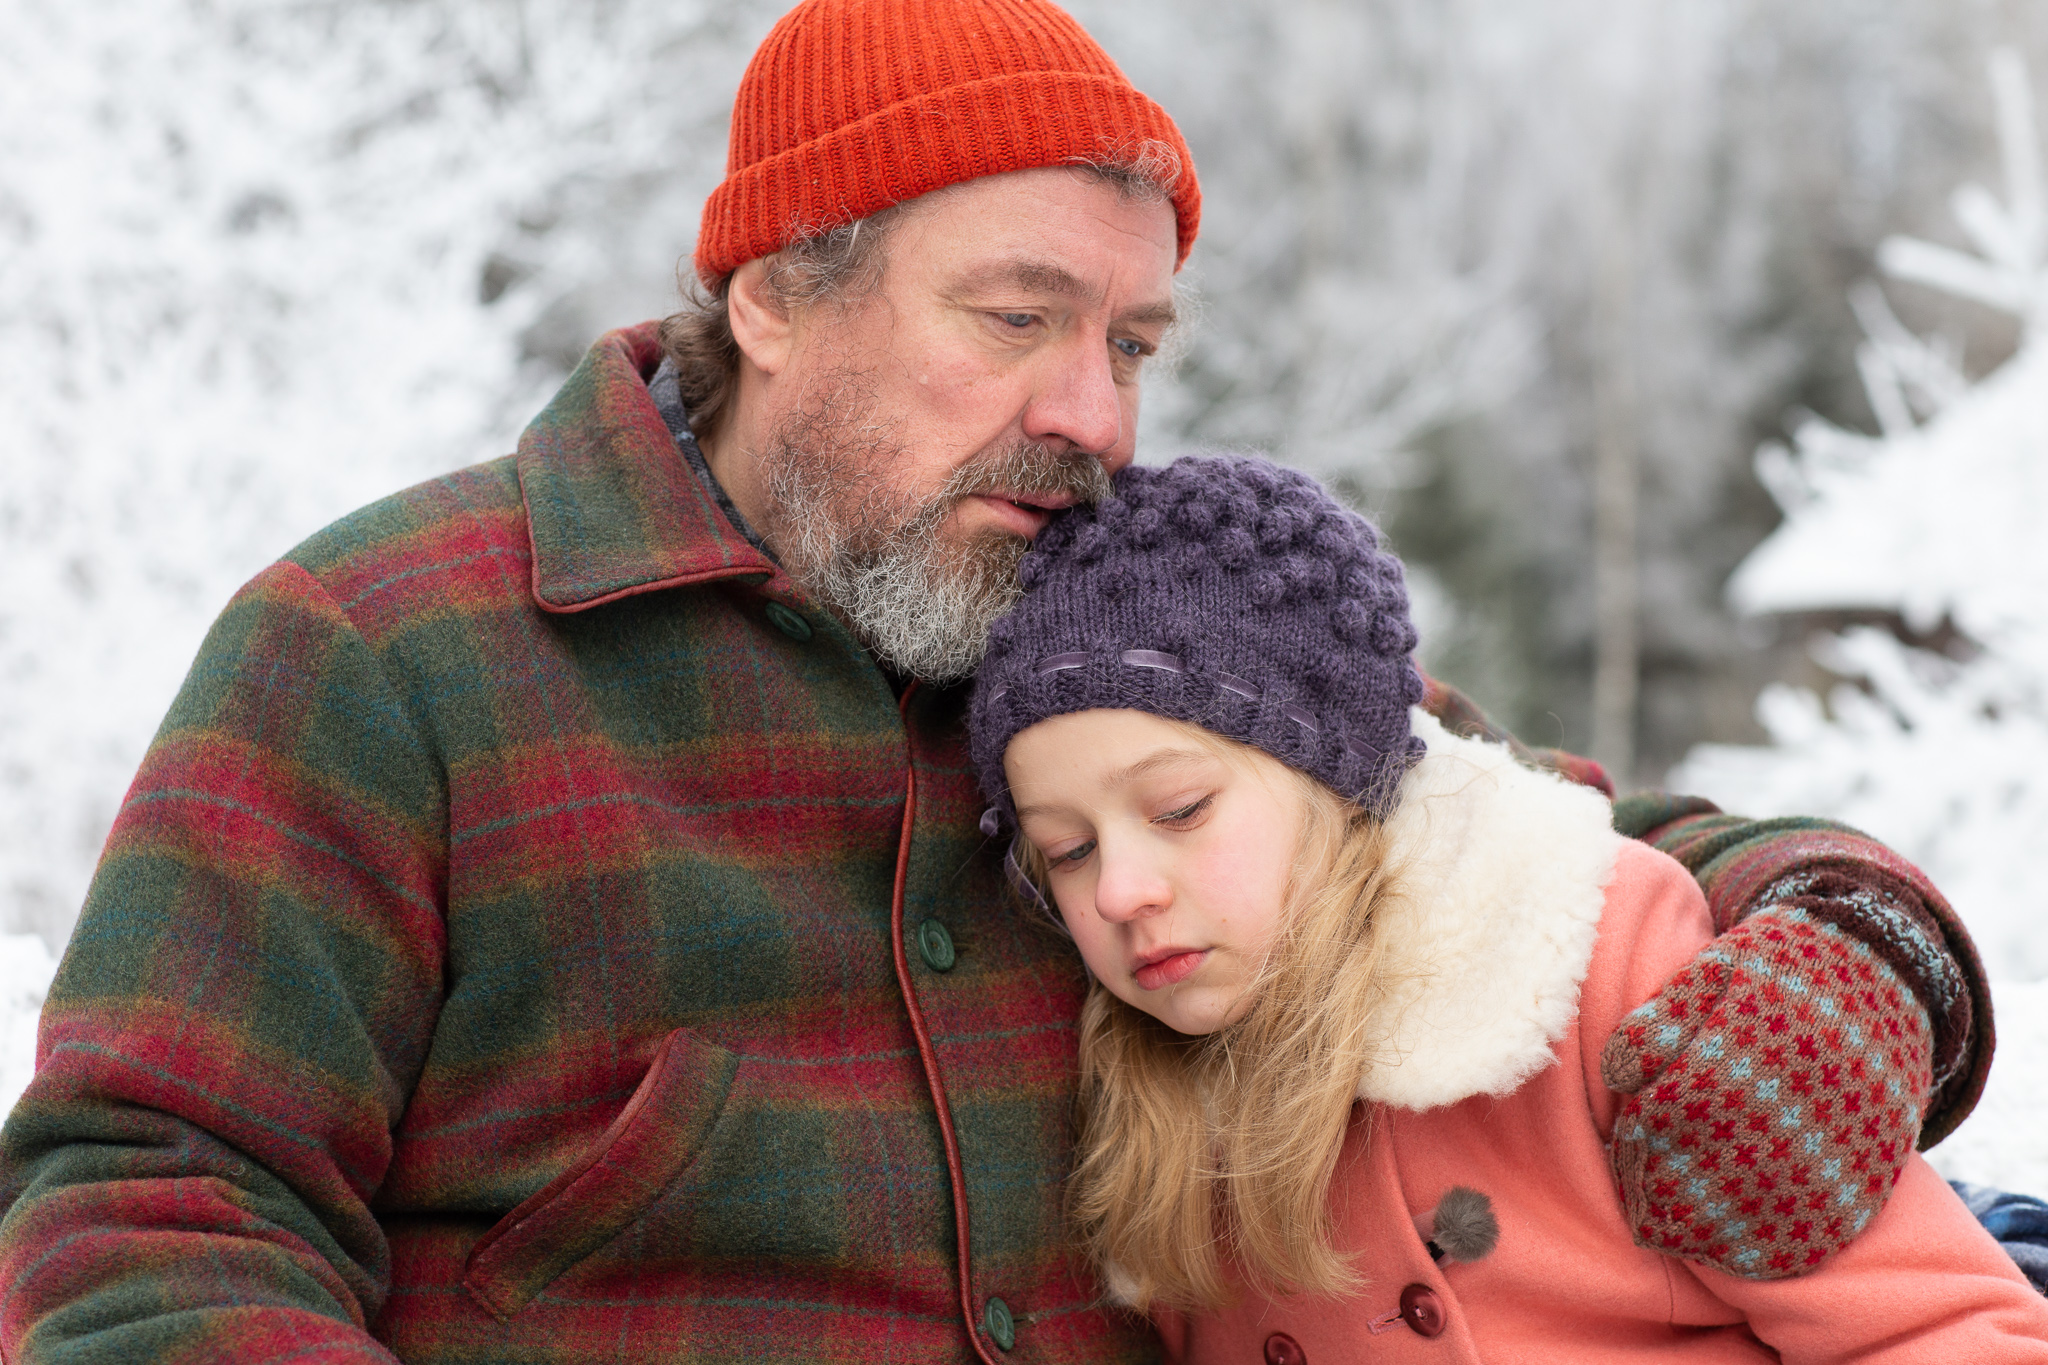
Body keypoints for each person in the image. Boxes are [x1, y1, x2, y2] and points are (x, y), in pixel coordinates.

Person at [0, 1, 1994, 1361]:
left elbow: (1525, 849)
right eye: (1014, 316)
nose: (1088, 413)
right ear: (775, 290)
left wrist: (1838, 938)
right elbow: (153, 1191)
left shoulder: (1118, 642)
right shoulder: (391, 653)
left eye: (1131, 342)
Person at [968, 452, 2048, 1361]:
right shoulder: (1147, 1119)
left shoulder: (1597, 963)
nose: (1116, 890)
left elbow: (1950, 1329)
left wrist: (1851, 929)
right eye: (1062, 851)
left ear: (1341, 782)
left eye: (1180, 807)